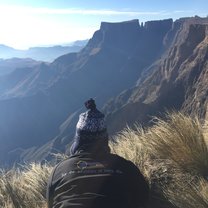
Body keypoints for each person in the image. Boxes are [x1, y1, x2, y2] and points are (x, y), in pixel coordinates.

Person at [46, 98, 149, 208]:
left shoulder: (58, 171)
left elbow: (50, 204)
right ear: (105, 139)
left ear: (78, 139)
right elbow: (144, 198)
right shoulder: (126, 167)